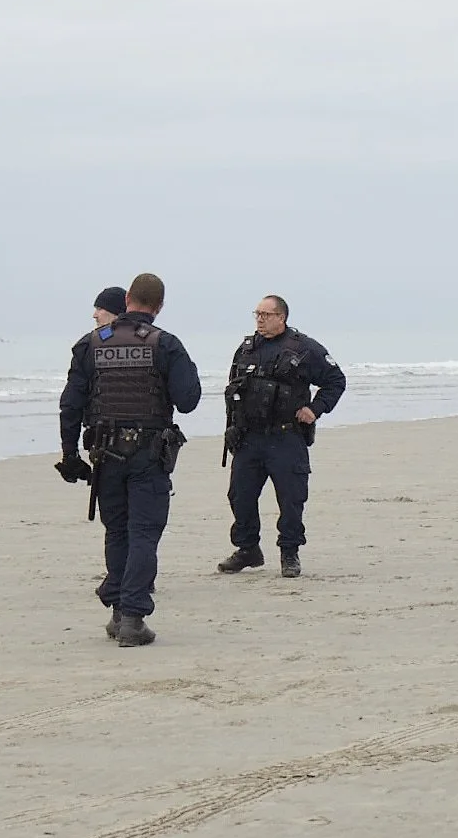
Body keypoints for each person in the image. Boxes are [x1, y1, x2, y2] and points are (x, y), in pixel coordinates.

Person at [57, 272, 202, 646]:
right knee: (143, 533)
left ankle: (119, 612)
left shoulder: (90, 344)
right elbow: (188, 400)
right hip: (148, 455)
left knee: (117, 531)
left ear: (126, 301)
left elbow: (70, 405)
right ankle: (133, 619)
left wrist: (70, 455)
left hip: (105, 455)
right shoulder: (165, 344)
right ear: (159, 306)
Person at [220, 295, 348, 579]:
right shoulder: (246, 349)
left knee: (291, 499)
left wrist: (315, 409)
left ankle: (289, 551)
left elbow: (336, 381)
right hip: (249, 437)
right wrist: (232, 426)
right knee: (239, 496)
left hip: (286, 436)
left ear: (282, 317)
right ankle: (247, 549)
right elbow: (234, 389)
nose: (260, 319)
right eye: (257, 314)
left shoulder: (304, 349)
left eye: (266, 315)